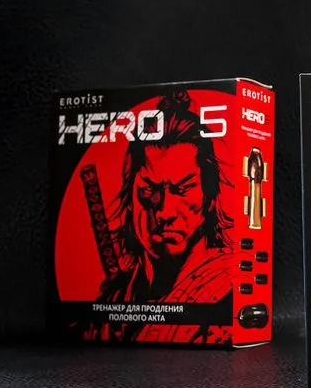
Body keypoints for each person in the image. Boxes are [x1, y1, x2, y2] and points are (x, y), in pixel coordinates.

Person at [85, 89, 233, 343]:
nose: (164, 212)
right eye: (148, 190)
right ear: (129, 197)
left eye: (182, 189)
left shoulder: (225, 295)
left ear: (208, 197)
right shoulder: (116, 300)